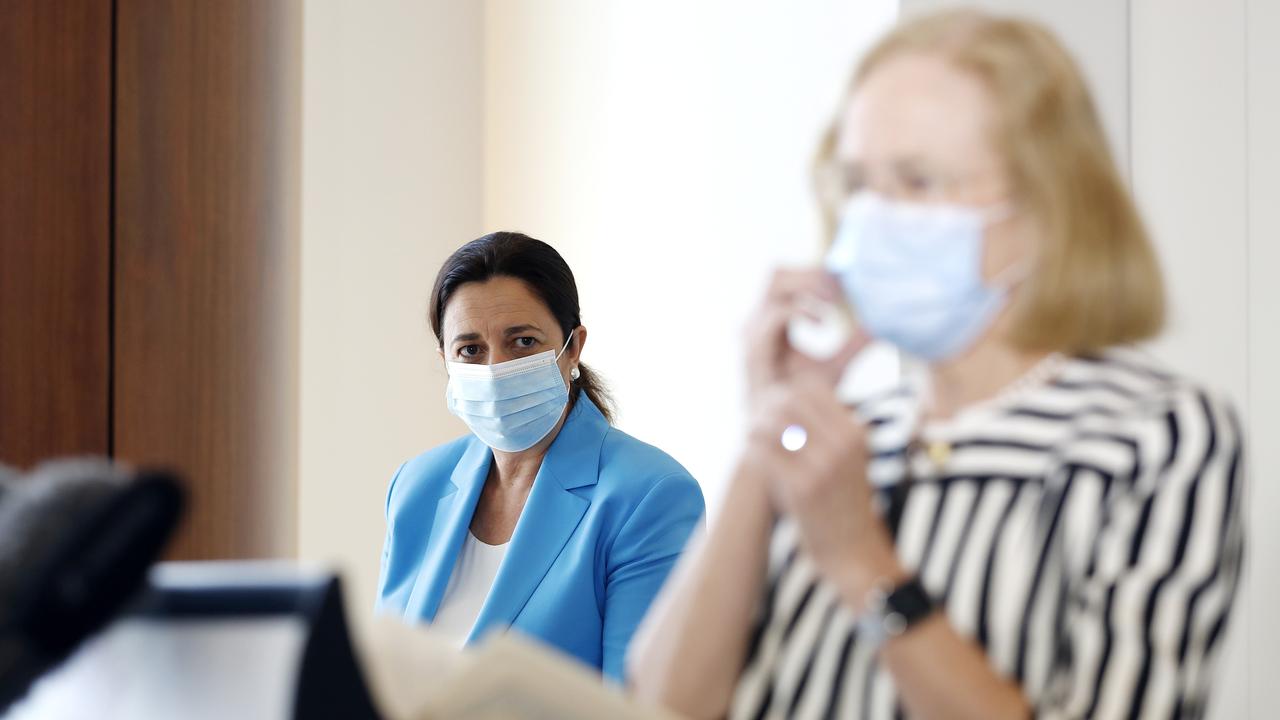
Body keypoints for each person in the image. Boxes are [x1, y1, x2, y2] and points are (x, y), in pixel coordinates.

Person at [629, 9, 1244, 719]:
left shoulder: (1155, 435)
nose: (875, 217)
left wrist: (860, 560)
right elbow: (665, 704)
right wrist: (763, 441)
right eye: (858, 183)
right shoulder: (837, 436)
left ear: (1047, 204)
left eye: (918, 182)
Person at [376, 232, 704, 682]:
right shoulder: (417, 485)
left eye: (523, 342)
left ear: (573, 348)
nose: (495, 370)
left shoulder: (649, 495)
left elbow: (637, 704)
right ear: (445, 360)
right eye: (470, 350)